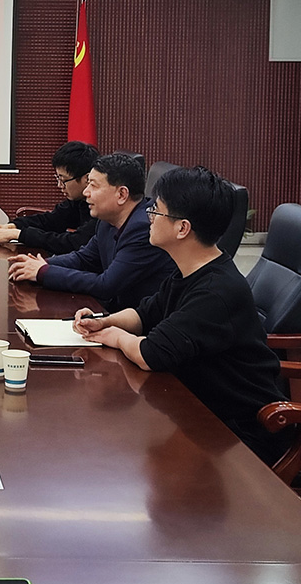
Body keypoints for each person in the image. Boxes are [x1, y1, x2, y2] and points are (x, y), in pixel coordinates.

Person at [71, 166, 288, 464]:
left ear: (182, 228)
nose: (148, 217)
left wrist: (115, 337)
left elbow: (151, 354)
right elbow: (146, 313)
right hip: (202, 411)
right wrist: (105, 320)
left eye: (156, 211)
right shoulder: (190, 270)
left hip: (241, 434)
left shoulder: (215, 292)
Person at [8, 152, 174, 312]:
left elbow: (106, 285)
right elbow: (84, 259)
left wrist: (43, 272)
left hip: (141, 323)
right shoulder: (108, 220)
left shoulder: (144, 228)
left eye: (93, 186)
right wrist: (39, 264)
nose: (86, 192)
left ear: (121, 194)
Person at [0, 140, 98, 252]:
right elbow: (50, 220)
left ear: (86, 178)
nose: (59, 185)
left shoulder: (101, 207)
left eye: (63, 180)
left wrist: (19, 234)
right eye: (58, 179)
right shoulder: (78, 200)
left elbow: (73, 243)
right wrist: (13, 226)